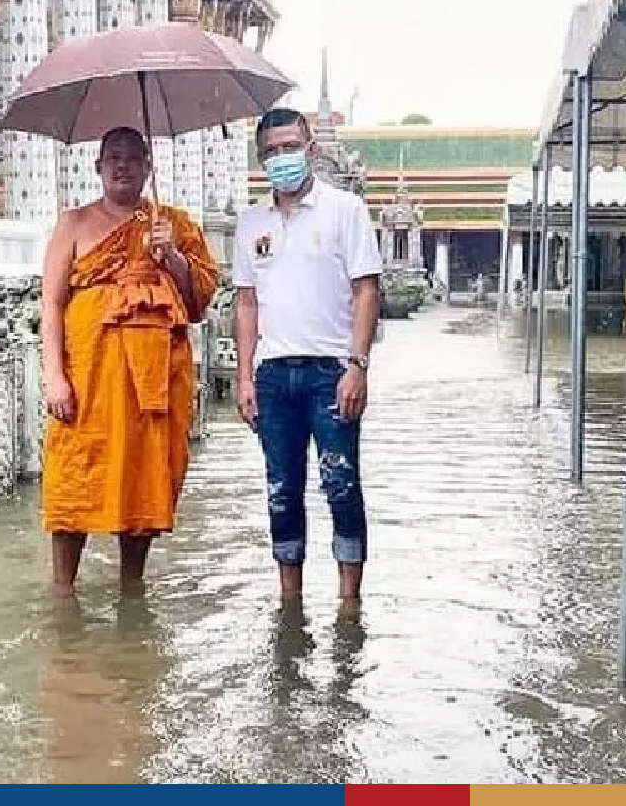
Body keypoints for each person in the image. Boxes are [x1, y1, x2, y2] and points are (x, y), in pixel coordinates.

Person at [39, 126, 220, 597]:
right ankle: (63, 593)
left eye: (133, 158)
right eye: (113, 157)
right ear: (98, 167)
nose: (122, 166)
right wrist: (54, 376)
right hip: (87, 378)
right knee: (73, 475)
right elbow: (51, 304)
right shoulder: (73, 223)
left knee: (142, 477)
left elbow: (198, 303)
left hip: (151, 383)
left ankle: (132, 590)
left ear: (148, 167)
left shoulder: (172, 225)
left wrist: (172, 257)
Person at [232, 108, 383, 606]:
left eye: (290, 147)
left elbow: (366, 290)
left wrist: (358, 366)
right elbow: (246, 303)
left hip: (331, 373)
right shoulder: (252, 222)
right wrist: (244, 377)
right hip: (273, 376)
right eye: (271, 152)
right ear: (261, 160)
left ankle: (349, 605)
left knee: (341, 483)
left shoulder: (345, 210)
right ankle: (289, 601)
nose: (282, 158)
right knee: (281, 490)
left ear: (310, 149)